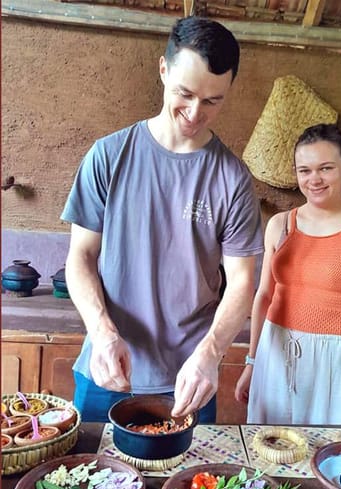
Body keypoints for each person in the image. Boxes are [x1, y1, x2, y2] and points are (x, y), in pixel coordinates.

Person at [62, 17, 263, 423]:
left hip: (190, 379)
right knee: (87, 483)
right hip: (108, 368)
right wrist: (102, 332)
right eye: (184, 93)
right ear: (163, 70)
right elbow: (80, 257)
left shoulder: (232, 179)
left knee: (190, 486)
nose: (194, 113)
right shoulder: (107, 157)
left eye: (212, 101)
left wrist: (211, 353)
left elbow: (242, 281)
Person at [235, 124, 341, 425]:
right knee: (271, 452)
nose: (314, 180)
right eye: (305, 170)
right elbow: (264, 296)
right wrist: (252, 363)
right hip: (275, 354)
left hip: (336, 364)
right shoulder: (280, 225)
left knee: (327, 456)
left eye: (326, 168)